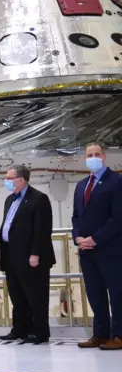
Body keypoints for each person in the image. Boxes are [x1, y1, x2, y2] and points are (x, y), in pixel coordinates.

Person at [72, 143, 122, 350]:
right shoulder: (81, 185)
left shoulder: (116, 181)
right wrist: (78, 237)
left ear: (104, 156)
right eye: (88, 155)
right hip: (86, 251)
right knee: (95, 293)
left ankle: (118, 335)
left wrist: (96, 238)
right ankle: (100, 333)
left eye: (96, 154)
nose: (92, 158)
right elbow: (76, 216)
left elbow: (117, 217)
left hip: (110, 249)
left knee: (117, 293)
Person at [0, 165, 55, 345]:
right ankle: (20, 329)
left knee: (36, 296)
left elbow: (42, 229)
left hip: (31, 257)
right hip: (11, 256)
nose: (6, 181)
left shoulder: (39, 199)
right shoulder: (9, 200)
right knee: (17, 295)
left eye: (9, 177)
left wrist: (35, 253)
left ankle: (40, 331)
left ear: (21, 180)